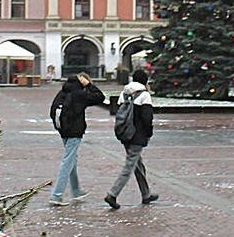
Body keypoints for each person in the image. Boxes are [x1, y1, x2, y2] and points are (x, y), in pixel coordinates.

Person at [48, 72, 105, 206]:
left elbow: (53, 110)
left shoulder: (63, 91)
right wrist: (89, 85)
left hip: (63, 130)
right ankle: (57, 195)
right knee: (68, 161)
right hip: (75, 131)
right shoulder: (79, 94)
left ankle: (76, 190)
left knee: (72, 158)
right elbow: (100, 97)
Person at [105, 69, 157, 208]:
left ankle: (146, 194)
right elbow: (147, 118)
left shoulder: (124, 93)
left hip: (125, 133)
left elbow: (120, 113)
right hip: (137, 135)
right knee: (129, 166)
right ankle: (112, 194)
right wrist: (148, 133)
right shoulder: (144, 95)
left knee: (138, 164)